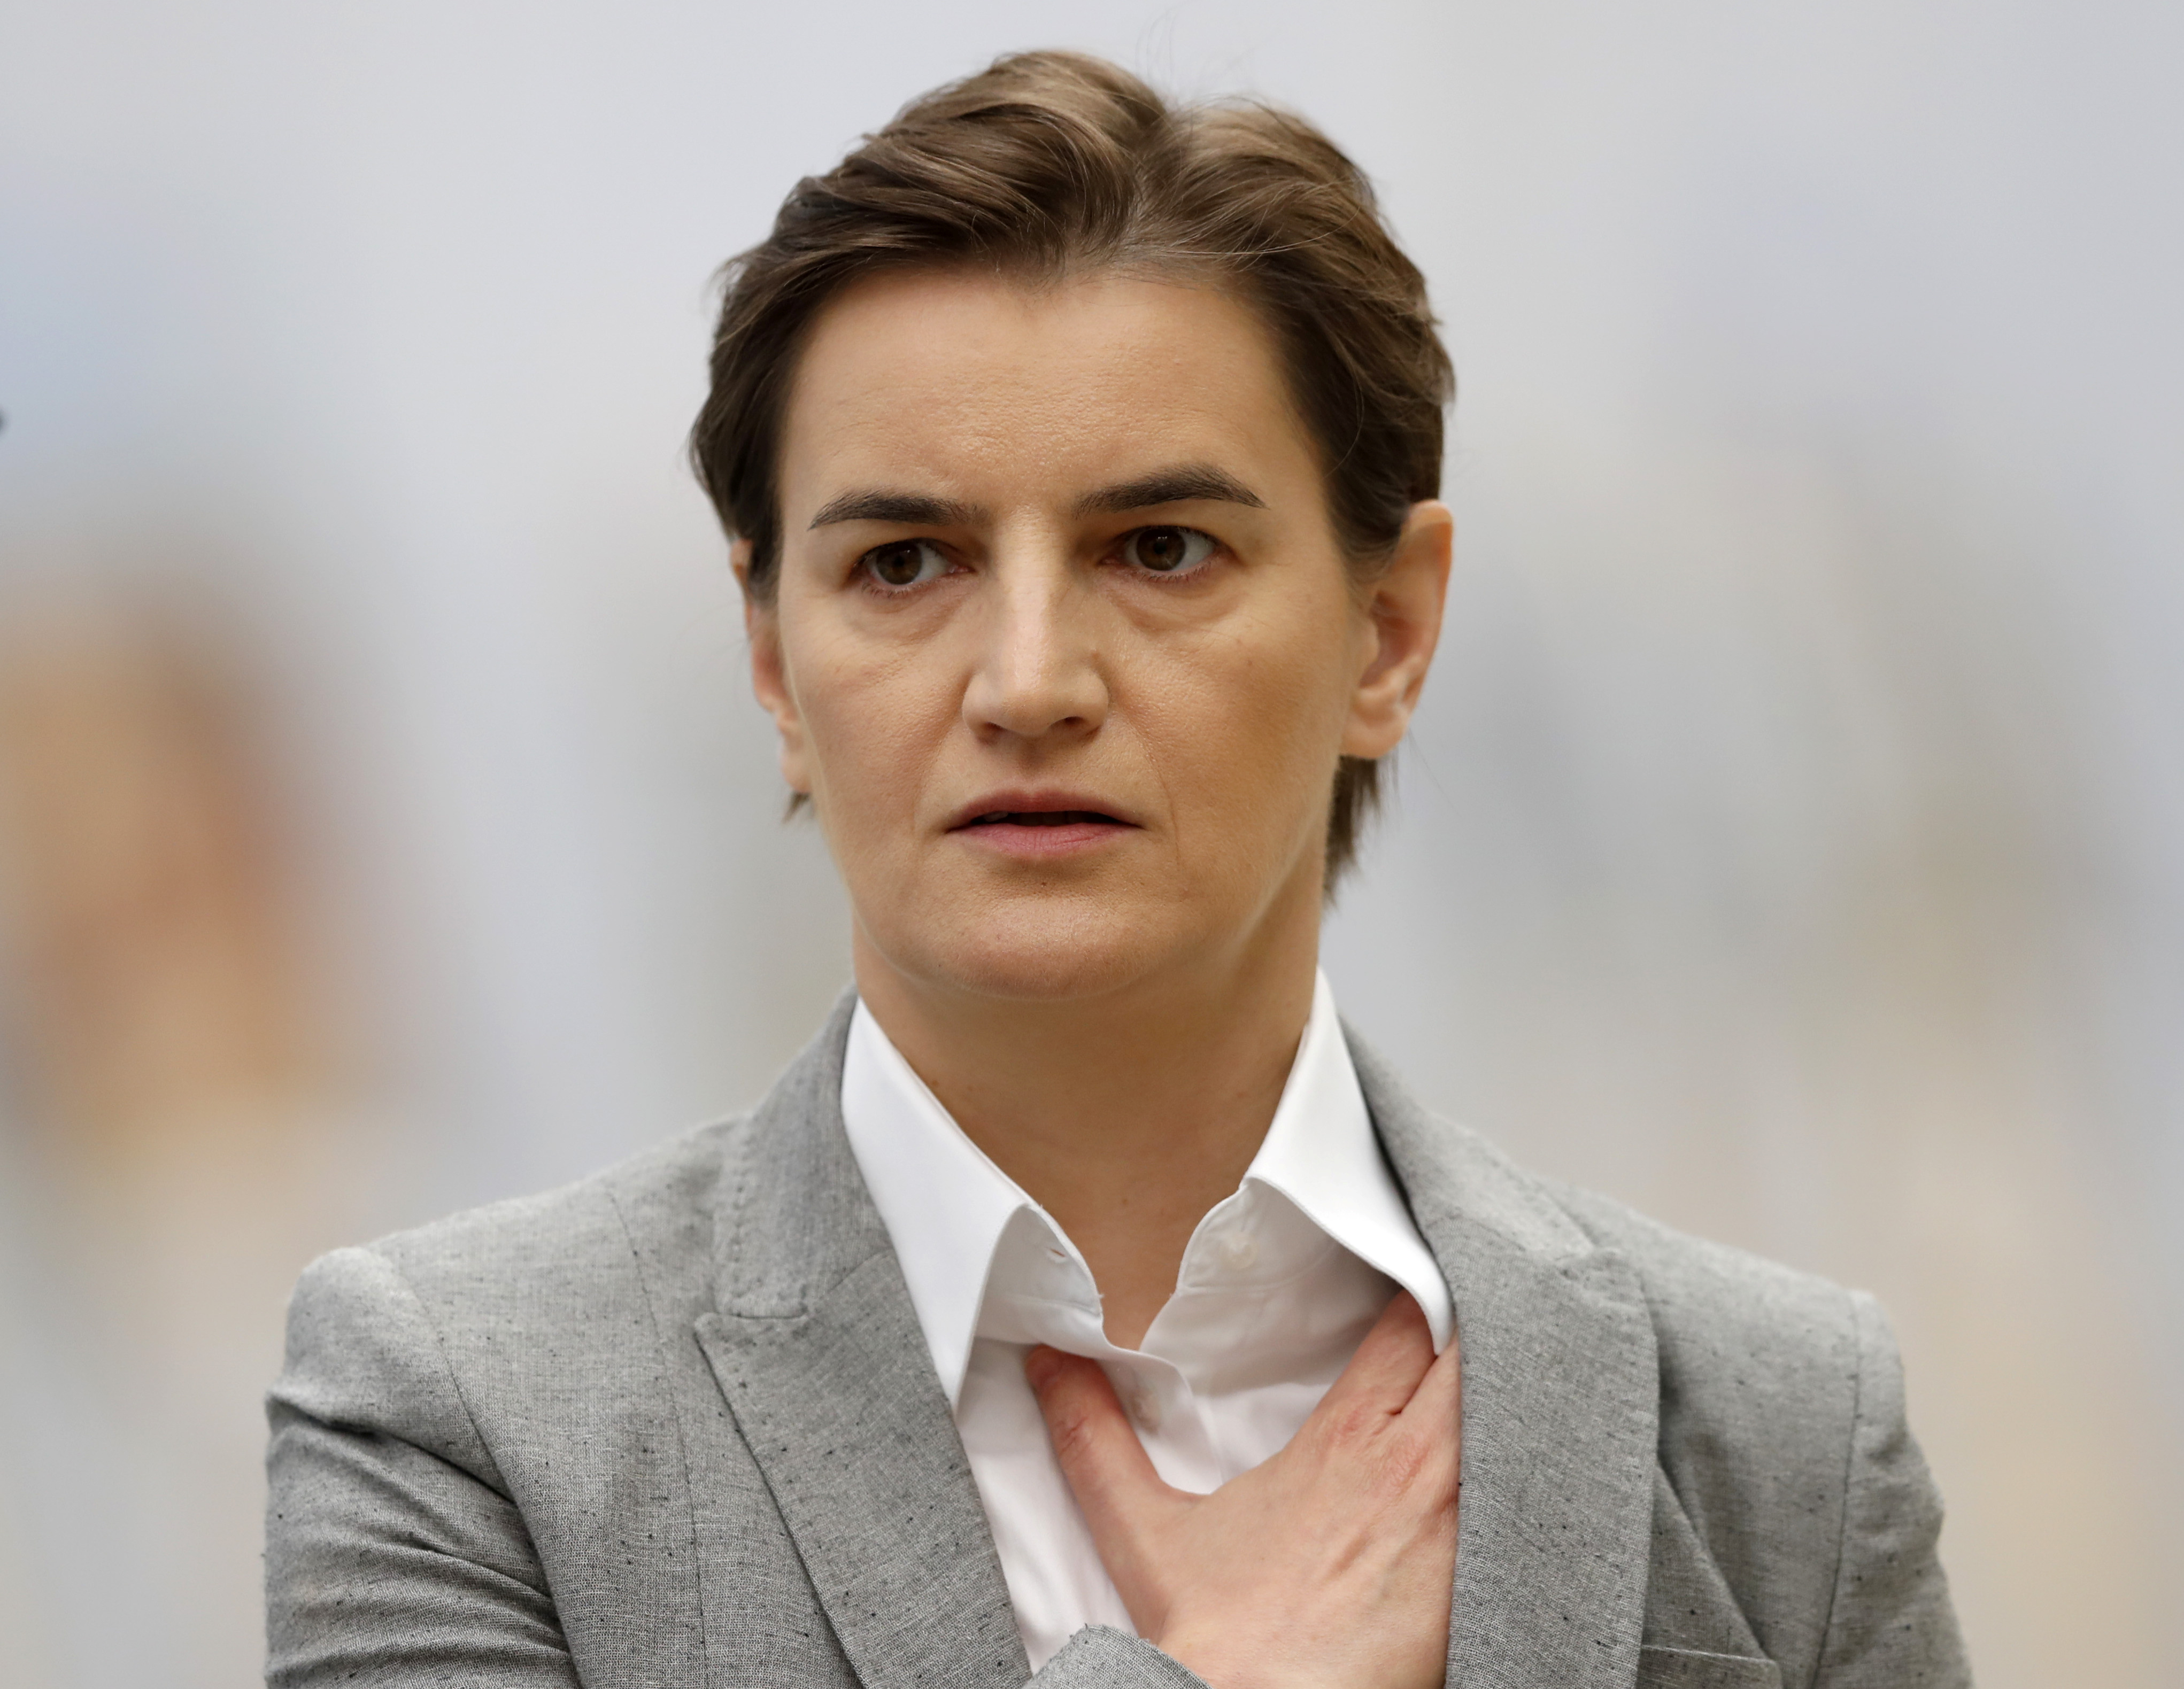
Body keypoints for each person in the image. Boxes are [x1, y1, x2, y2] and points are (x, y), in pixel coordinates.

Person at [264, 50, 1969, 1689]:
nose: (1028, 684)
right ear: (773, 665)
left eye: (1160, 549)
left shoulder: (1781, 1434)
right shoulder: (460, 1413)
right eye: (905, 562)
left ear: (1389, 631)